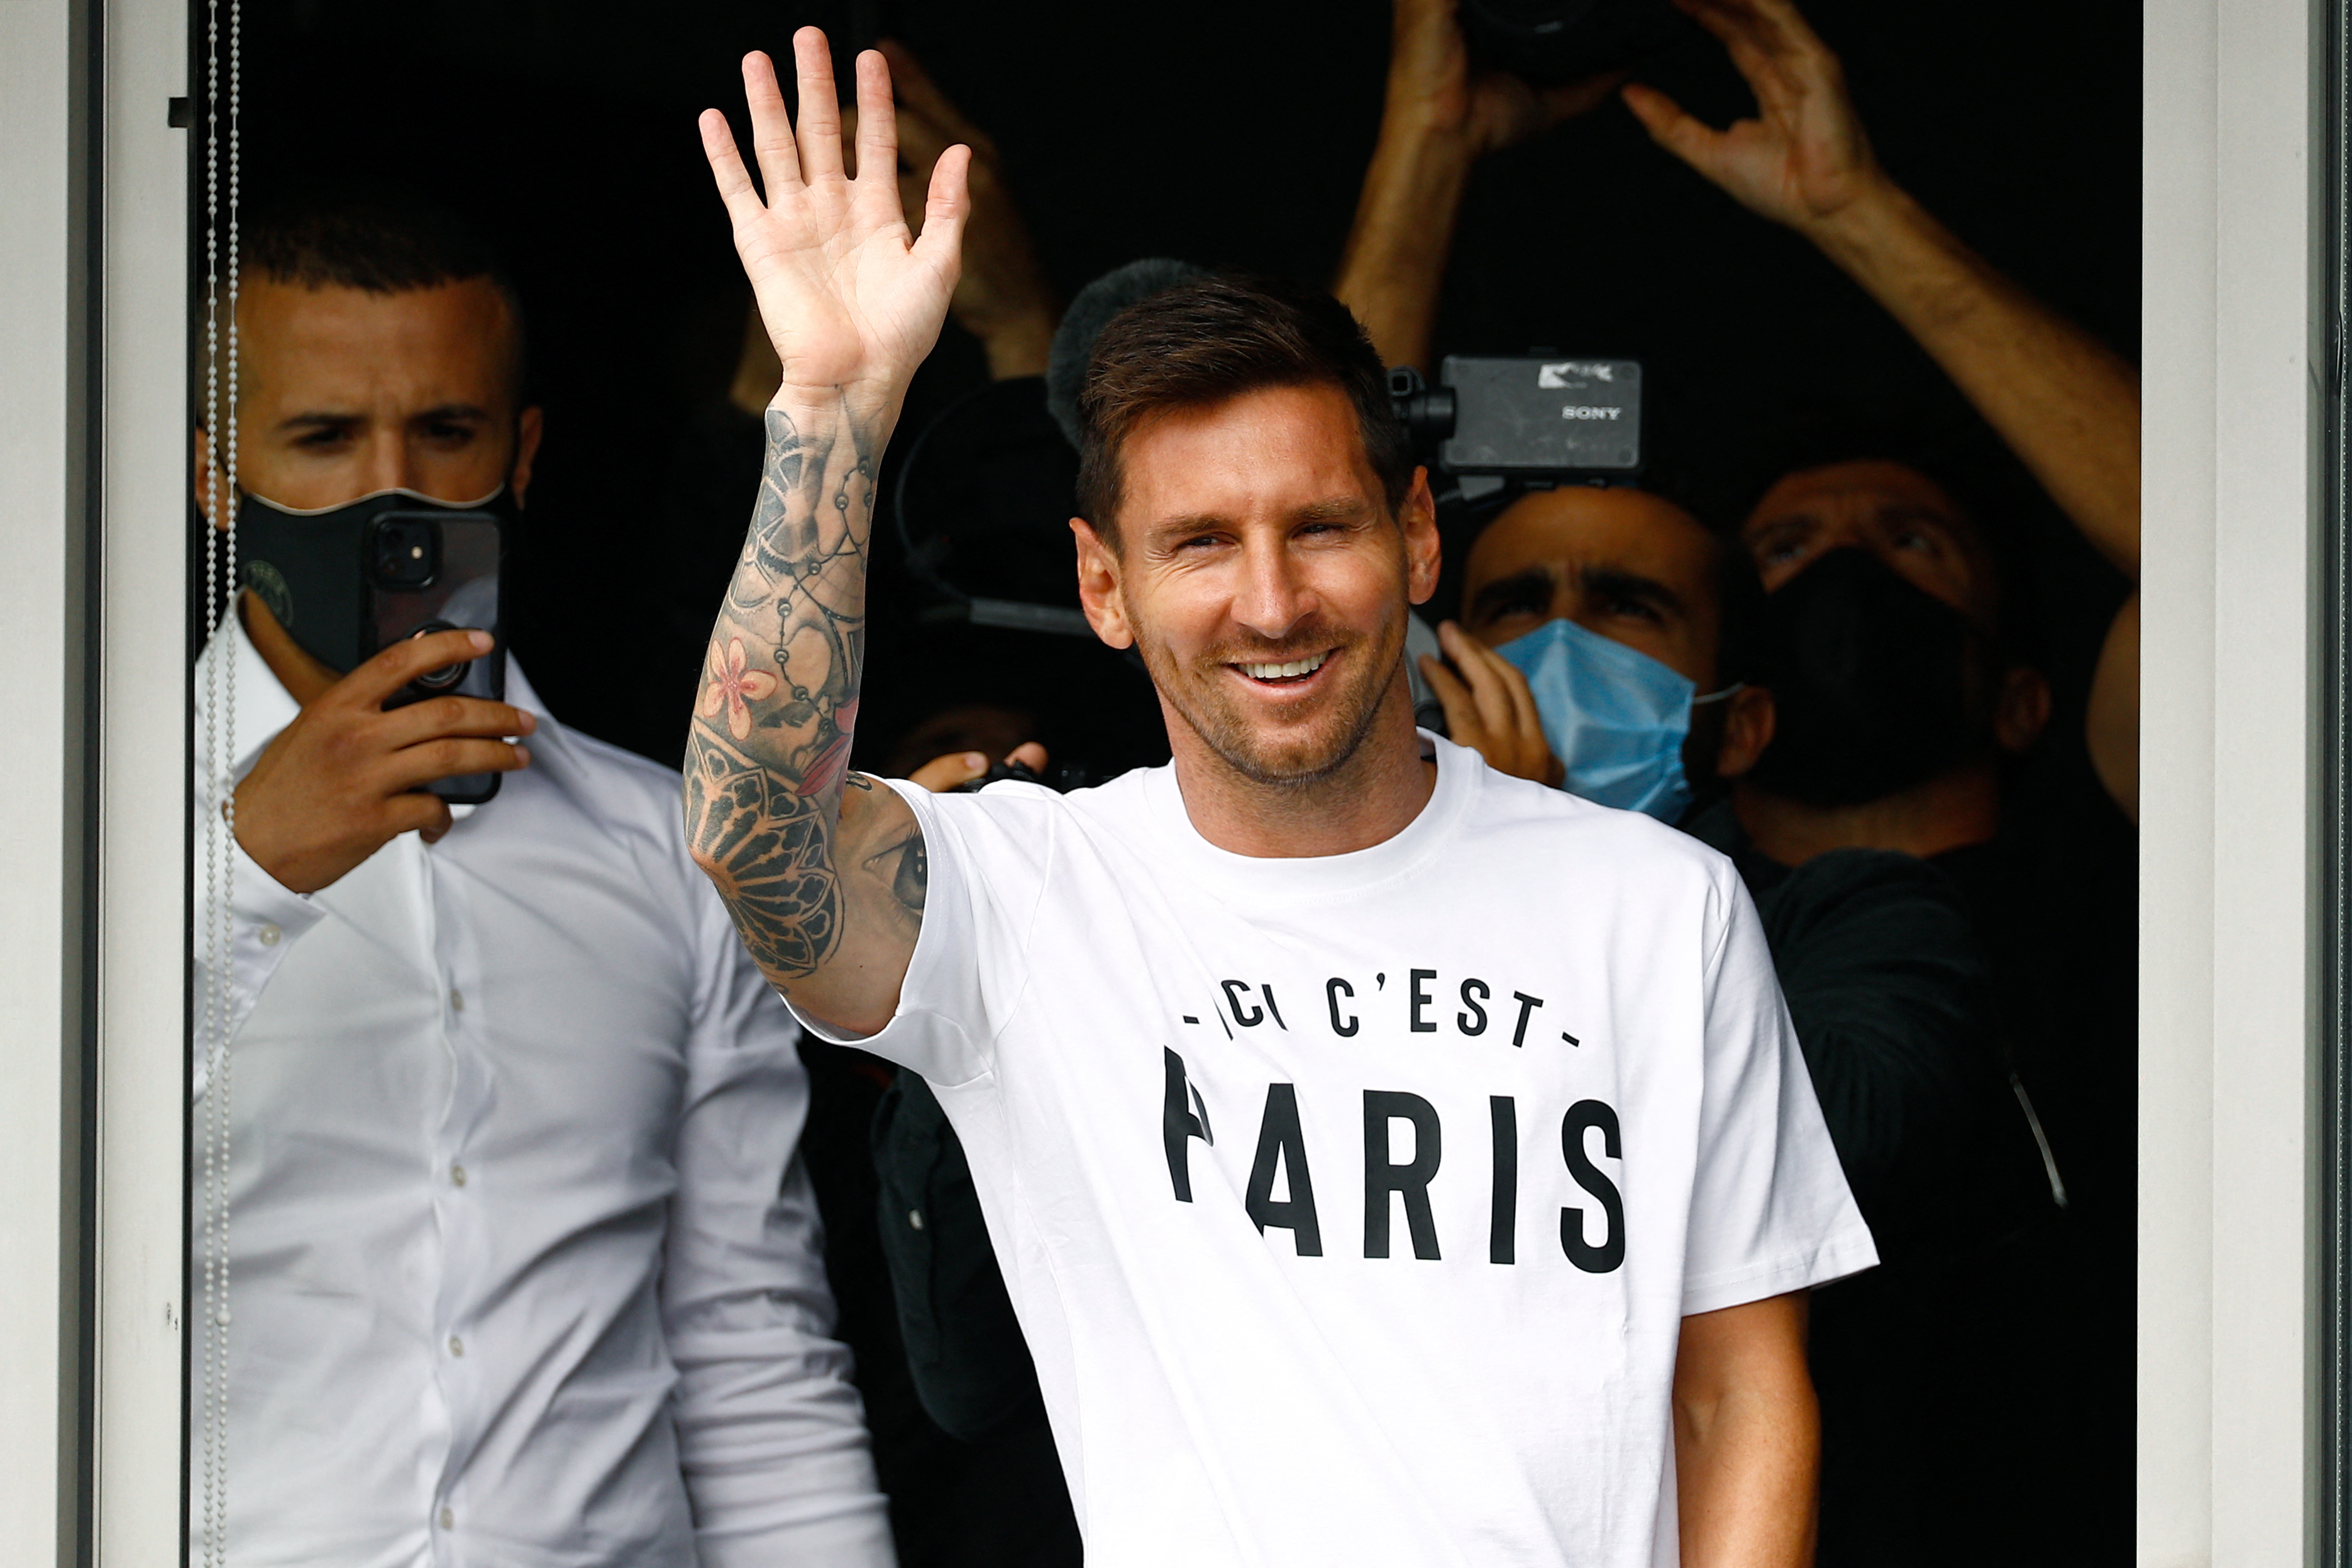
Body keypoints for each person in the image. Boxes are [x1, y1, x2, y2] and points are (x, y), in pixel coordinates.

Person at [686, 34, 1873, 1564]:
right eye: (1197, 546)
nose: (1270, 601)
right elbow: (751, 835)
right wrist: (834, 409)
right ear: (1102, 585)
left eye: (1318, 526)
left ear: (1418, 541)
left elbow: (1737, 1400)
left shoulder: (1653, 901)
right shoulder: (1029, 895)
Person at [187, 197, 892, 1567]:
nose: (389, 490)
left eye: (442, 433)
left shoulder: (669, 852)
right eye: (323, 438)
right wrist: (239, 873)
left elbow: (748, 1349)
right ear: (218, 476)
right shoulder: (72, 836)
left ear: (520, 454)